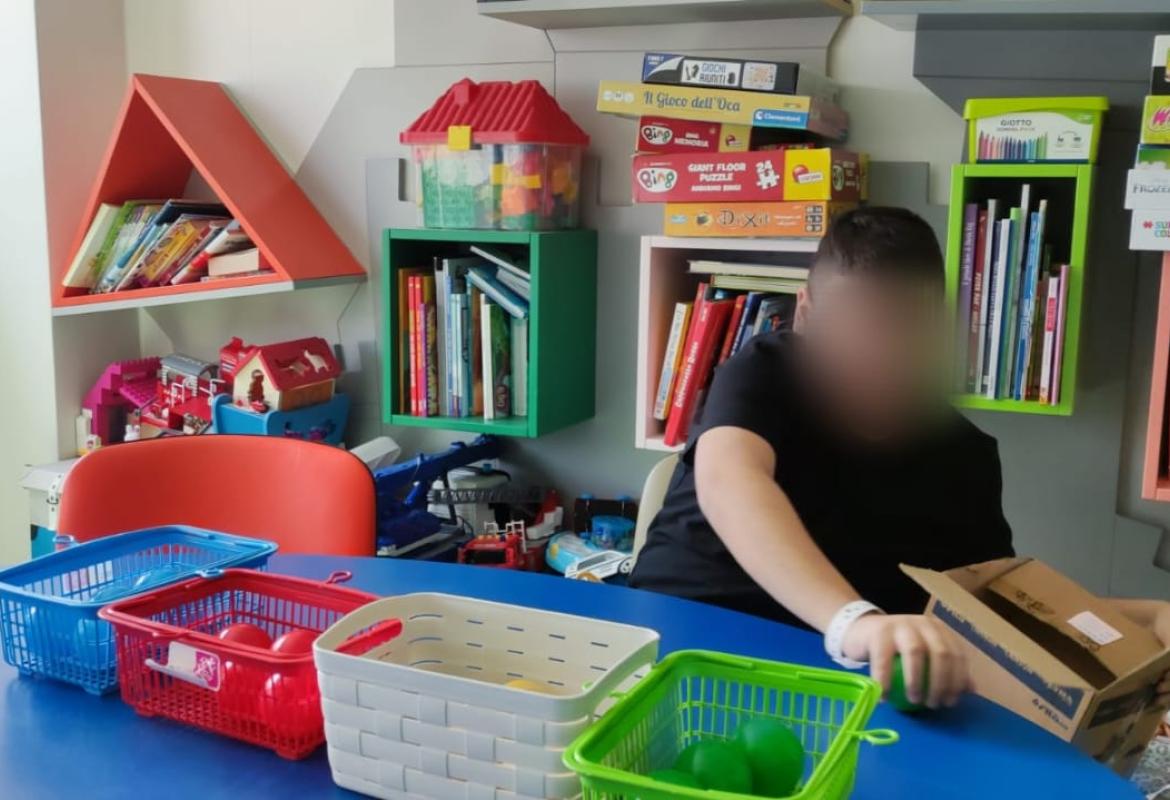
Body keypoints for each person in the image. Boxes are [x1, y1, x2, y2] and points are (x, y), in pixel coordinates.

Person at [630, 206, 1170, 710]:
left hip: (837, 699)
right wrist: (853, 622)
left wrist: (1146, 621)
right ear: (807, 313)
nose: (876, 368)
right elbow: (729, 481)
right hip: (674, 650)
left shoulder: (964, 457)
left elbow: (996, 612)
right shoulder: (764, 372)